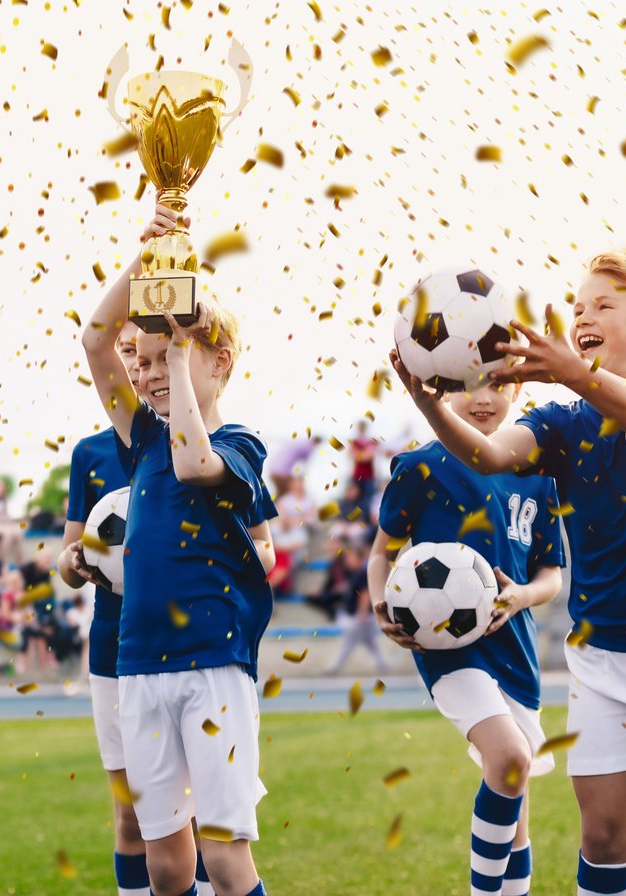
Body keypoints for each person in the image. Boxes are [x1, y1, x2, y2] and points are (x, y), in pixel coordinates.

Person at [393, 249, 626, 896]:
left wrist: (575, 373)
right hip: (601, 656)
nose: (582, 314)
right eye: (578, 305)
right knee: (605, 836)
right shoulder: (557, 420)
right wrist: (430, 408)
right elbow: (492, 454)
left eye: (603, 305)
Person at [78, 201, 277, 896]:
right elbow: (94, 341)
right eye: (148, 360)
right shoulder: (142, 444)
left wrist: (183, 350)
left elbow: (196, 464)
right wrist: (146, 260)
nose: (150, 372)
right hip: (138, 667)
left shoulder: (236, 446)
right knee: (166, 869)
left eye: (170, 358)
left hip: (212, 666)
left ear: (219, 361)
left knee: (223, 860)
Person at [371, 379, 565, 896]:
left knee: (514, 794)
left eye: (498, 384)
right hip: (449, 651)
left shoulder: (537, 475)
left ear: (518, 388)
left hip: (515, 650)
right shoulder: (421, 467)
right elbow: (380, 553)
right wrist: (379, 603)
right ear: (440, 389)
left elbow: (551, 575)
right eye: (469, 384)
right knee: (511, 759)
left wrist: (523, 595)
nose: (484, 396)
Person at [58, 319, 157, 896]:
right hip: (112, 648)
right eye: (126, 355)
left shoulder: (195, 445)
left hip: (182, 647)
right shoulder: (91, 454)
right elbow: (67, 566)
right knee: (130, 815)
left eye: (146, 357)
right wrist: (79, 562)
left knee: (190, 816)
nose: (137, 369)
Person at [326, 541, 389, 677]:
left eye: (351, 557)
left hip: (361, 616)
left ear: (359, 558)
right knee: (370, 643)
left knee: (349, 643)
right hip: (360, 616)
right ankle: (383, 665)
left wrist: (362, 613)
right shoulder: (354, 573)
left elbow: (365, 594)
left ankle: (334, 667)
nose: (348, 560)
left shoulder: (363, 573)